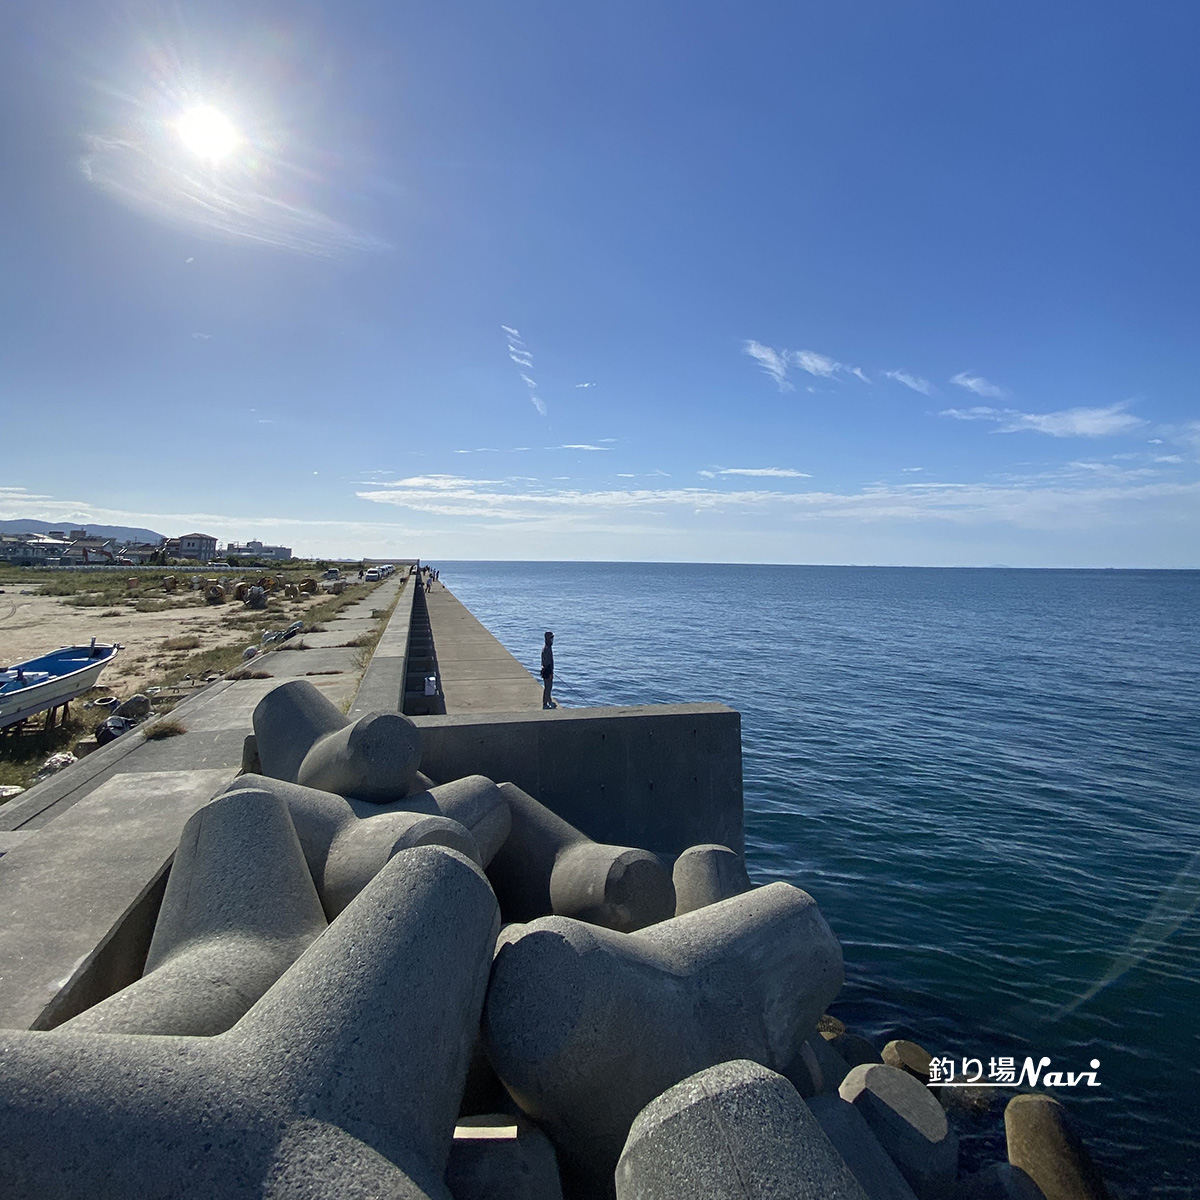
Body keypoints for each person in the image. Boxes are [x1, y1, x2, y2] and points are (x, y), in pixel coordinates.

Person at [540, 631, 556, 709]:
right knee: (548, 688)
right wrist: (550, 673)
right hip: (547, 671)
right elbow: (547, 663)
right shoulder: (547, 649)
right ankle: (545, 703)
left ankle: (549, 701)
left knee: (549, 687)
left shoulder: (547, 647)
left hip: (547, 670)